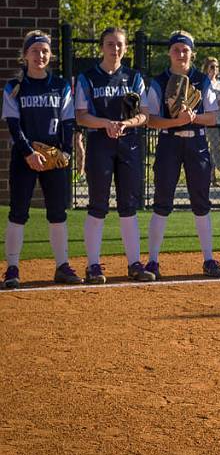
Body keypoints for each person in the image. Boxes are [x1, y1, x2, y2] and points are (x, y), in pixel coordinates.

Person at [74, 26, 154, 284]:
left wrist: (127, 123)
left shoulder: (134, 77)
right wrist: (107, 123)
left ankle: (134, 263)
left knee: (128, 206)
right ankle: (93, 265)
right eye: (110, 44)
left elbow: (145, 115)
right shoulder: (88, 77)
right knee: (98, 205)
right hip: (100, 144)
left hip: (128, 144)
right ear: (101, 47)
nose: (115, 49)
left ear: (126, 48)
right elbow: (81, 116)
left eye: (119, 44)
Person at [143, 30, 220, 280]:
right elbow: (150, 121)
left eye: (185, 50)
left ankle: (209, 259)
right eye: (177, 49)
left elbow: (212, 117)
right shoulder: (159, 80)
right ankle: (153, 261)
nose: (181, 54)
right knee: (162, 201)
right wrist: (176, 121)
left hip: (197, 143)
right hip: (169, 143)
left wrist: (192, 118)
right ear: (169, 52)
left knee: (201, 203)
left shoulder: (202, 79)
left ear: (192, 53)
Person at [2, 30, 81, 288]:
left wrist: (67, 151)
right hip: (25, 157)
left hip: (54, 156)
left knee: (57, 212)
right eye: (35, 50)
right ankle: (12, 268)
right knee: (18, 212)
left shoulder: (60, 85)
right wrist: (28, 153)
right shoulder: (15, 87)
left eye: (45, 51)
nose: (40, 55)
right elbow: (13, 125)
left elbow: (68, 120)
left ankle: (62, 265)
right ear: (24, 55)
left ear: (51, 55)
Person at [203, 56, 220, 188]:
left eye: (217, 67)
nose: (215, 69)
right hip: (210, 118)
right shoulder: (204, 82)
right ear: (206, 68)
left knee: (215, 149)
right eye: (212, 66)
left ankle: (212, 176)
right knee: (215, 147)